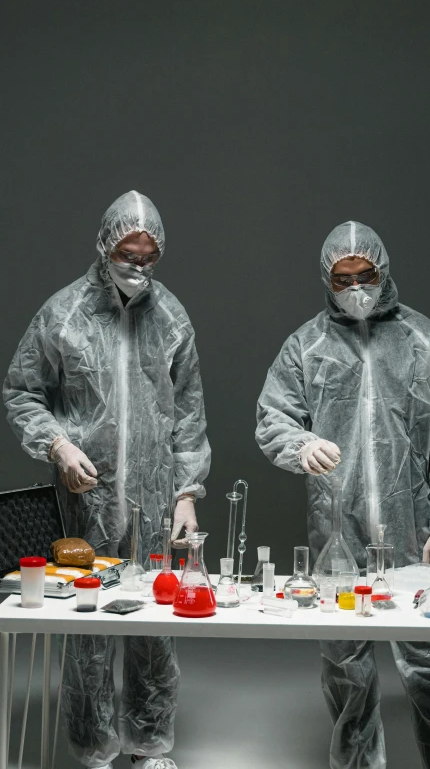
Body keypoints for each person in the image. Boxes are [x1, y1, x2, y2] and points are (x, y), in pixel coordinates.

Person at [4, 190, 211, 769]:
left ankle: (148, 748)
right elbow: (22, 391)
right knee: (87, 620)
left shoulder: (170, 317)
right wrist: (58, 444)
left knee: (153, 617)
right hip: (84, 498)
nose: (138, 266)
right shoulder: (64, 314)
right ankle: (94, 750)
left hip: (153, 497)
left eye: (149, 257)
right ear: (104, 245)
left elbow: (189, 414)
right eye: (128, 252)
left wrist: (188, 494)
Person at [255, 220, 430, 769]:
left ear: (382, 270)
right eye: (343, 278)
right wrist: (300, 444)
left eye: (365, 274)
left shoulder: (424, 340)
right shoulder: (306, 346)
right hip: (337, 530)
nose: (356, 286)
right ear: (326, 281)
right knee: (346, 664)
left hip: (414, 529)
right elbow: (272, 417)